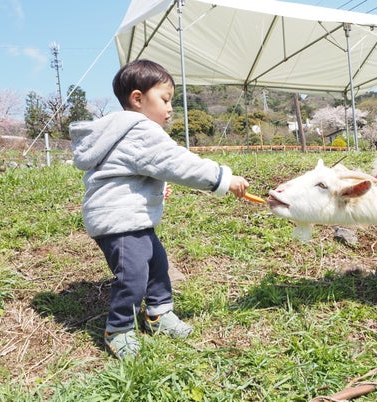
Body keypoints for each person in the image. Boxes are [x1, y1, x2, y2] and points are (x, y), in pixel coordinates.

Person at [69, 59, 249, 359]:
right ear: (137, 99)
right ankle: (119, 327)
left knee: (157, 264)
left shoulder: (122, 131)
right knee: (133, 275)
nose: (170, 108)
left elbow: (138, 170)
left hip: (129, 218)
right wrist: (222, 179)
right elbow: (177, 163)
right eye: (165, 99)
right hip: (119, 220)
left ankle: (158, 314)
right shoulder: (139, 129)